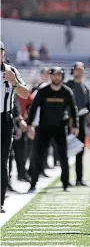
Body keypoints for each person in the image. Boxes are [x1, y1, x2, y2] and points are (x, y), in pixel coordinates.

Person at [27, 67, 79, 192]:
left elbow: (73, 109)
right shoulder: (43, 91)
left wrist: (75, 126)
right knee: (37, 156)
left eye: (59, 75)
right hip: (43, 128)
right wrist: (30, 125)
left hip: (60, 128)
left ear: (62, 76)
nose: (56, 78)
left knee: (63, 156)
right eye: (54, 75)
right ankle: (33, 183)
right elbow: (33, 108)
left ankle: (65, 184)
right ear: (50, 76)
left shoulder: (66, 92)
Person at [1, 41, 29, 213]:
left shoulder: (11, 71)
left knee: (2, 161)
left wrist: (14, 83)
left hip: (4, 119)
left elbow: (25, 93)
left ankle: (0, 201)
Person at [65, 62, 90, 186]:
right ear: (73, 71)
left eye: (82, 69)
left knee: (80, 151)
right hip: (68, 121)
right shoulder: (68, 86)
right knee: (66, 151)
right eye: (78, 69)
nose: (80, 71)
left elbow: (88, 108)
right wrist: (70, 123)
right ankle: (65, 179)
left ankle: (79, 179)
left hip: (81, 122)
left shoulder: (85, 88)